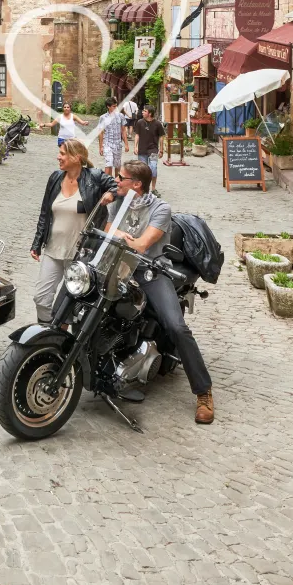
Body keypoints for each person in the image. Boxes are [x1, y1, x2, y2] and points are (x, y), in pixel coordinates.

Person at [107, 159, 214, 425]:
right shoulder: (117, 203)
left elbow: (142, 246)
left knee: (176, 326)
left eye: (121, 178)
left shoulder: (160, 208)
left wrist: (119, 235)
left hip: (149, 271)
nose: (116, 181)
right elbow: (106, 231)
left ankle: (203, 392)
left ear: (137, 184)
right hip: (116, 265)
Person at [31, 139, 117, 324]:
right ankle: (47, 331)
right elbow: (45, 212)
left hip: (80, 254)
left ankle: (61, 342)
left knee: (69, 304)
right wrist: (37, 243)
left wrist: (111, 193)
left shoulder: (93, 177)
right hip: (54, 249)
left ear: (76, 158)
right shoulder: (55, 178)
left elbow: (117, 185)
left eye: (62, 154)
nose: (58, 157)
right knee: (41, 298)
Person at [133, 104, 166, 187]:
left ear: (150, 114)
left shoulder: (157, 124)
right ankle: (144, 189)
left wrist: (161, 150)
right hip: (142, 150)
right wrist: (135, 146)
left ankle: (153, 188)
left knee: (153, 168)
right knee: (142, 171)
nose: (143, 112)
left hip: (153, 150)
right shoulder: (140, 122)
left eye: (145, 111)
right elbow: (137, 135)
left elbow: (161, 137)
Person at [97, 97, 129, 176]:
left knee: (117, 165)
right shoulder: (103, 118)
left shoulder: (121, 116)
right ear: (108, 106)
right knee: (109, 163)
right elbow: (101, 133)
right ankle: (108, 184)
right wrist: (101, 146)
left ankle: (116, 184)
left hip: (118, 144)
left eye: (116, 106)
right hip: (107, 144)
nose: (115, 108)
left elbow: (123, 131)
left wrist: (126, 144)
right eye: (113, 106)